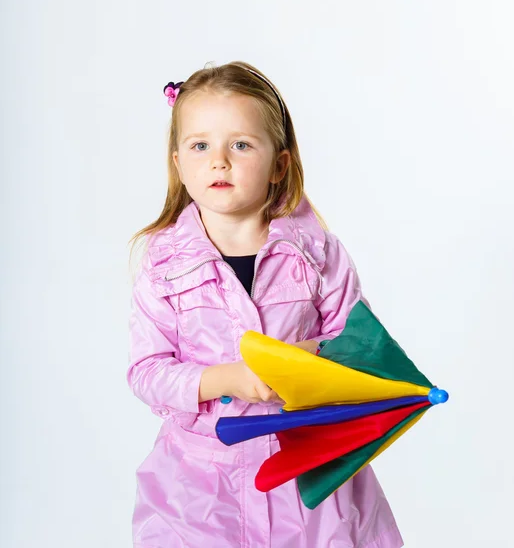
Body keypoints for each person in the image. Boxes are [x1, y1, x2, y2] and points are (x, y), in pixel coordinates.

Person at [127, 60, 404, 547]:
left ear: (279, 163)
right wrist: (225, 379)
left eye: (240, 144)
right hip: (199, 486)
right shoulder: (163, 263)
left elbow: (358, 347)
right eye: (200, 145)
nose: (219, 161)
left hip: (309, 476)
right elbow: (147, 371)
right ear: (178, 163)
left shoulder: (317, 253)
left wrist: (307, 361)